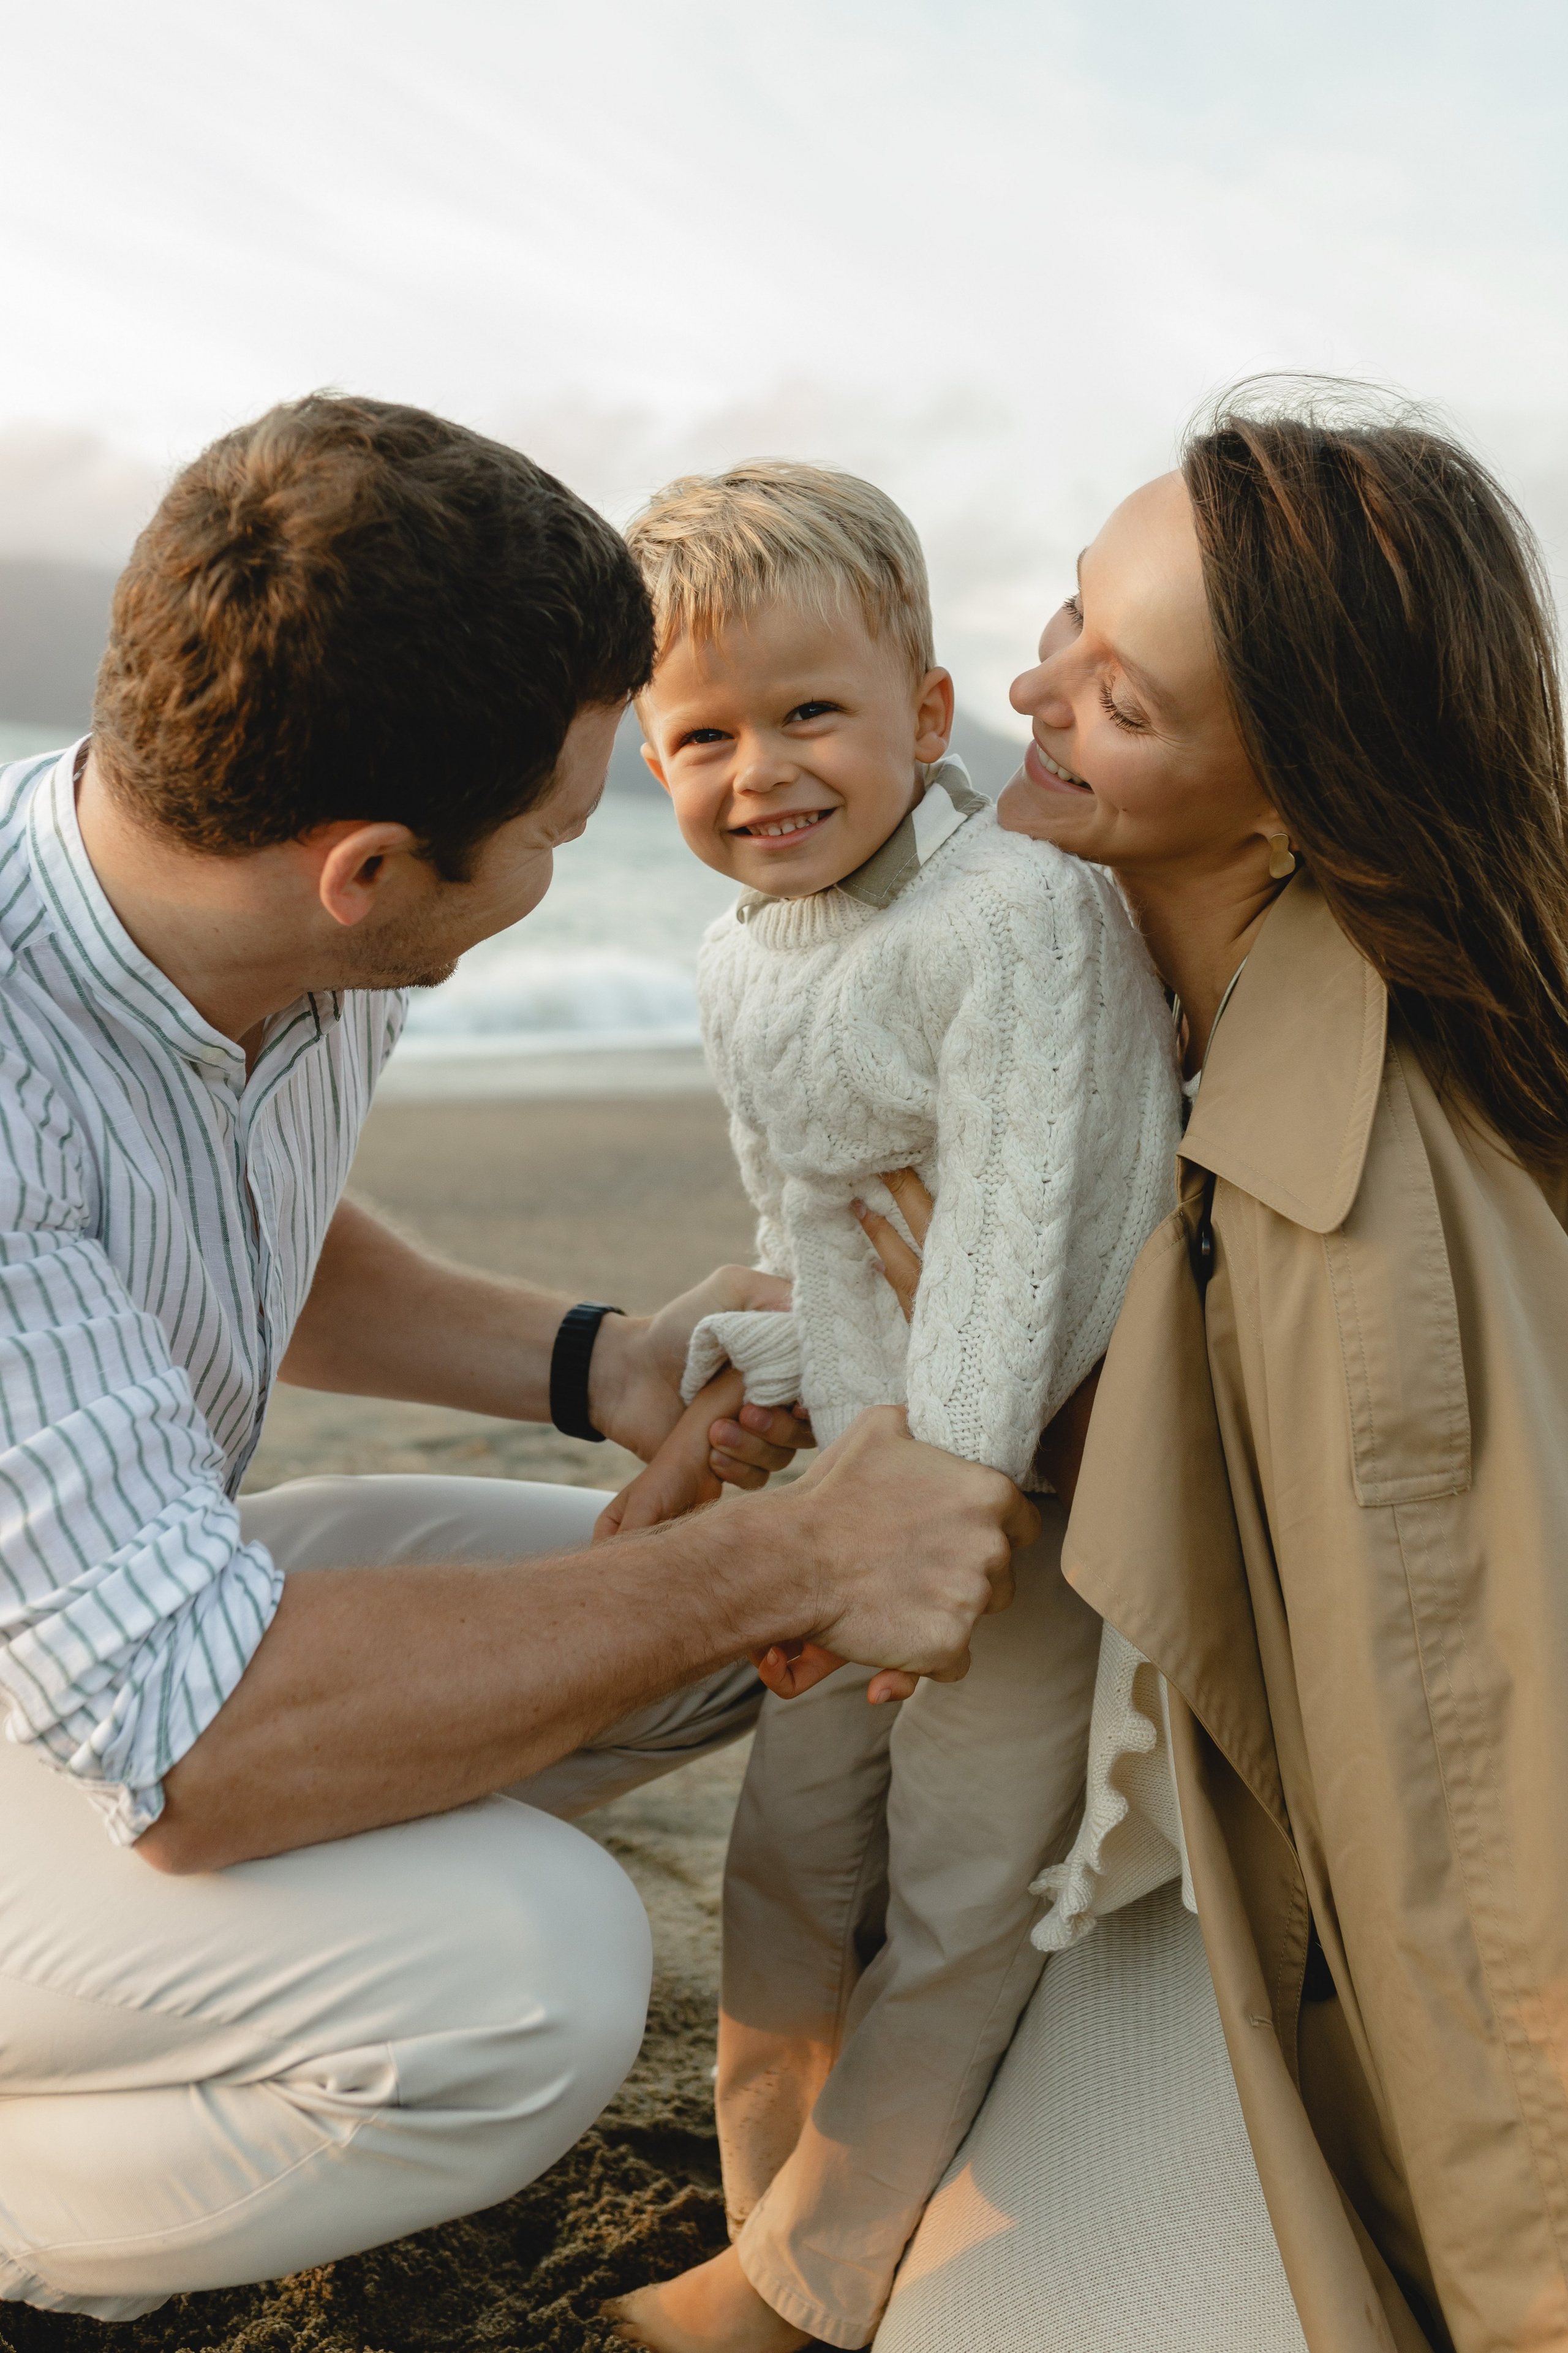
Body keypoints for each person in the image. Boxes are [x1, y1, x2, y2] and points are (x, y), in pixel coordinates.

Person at [0, 395, 1039, 2323]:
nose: (587, 845)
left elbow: (248, 1237)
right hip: (125, 1704)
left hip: (97, 1632)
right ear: (373, 870)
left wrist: (615, 1366)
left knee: (683, 1639)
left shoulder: (242, 899)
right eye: (568, 829)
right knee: (522, 1983)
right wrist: (797, 1551)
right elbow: (194, 1750)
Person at [865, 384, 1568, 2352]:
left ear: (1292, 804)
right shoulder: (1092, 969)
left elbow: (1472, 1800)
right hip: (1169, 1797)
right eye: (1073, 618)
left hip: (1300, 1892)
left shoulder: (1361, 1203)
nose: (1030, 685)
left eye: (1123, 699)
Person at [595, 461, 1179, 2352]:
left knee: (955, 1893)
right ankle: (772, 2203)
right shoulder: (734, 957)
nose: (758, 770)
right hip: (859, 1504)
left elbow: (1006, 1247)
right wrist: (767, 1415)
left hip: (1009, 1514)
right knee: (785, 1855)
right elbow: (805, 1230)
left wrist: (934, 1525)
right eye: (701, 737)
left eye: (808, 713)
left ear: (925, 714)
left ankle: (807, 2287)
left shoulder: (1012, 918)